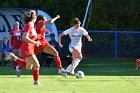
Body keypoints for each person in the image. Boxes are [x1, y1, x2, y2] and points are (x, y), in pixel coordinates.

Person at [20, 10, 41, 85]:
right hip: (26, 48)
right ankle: (36, 82)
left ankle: (15, 59)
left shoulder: (32, 25)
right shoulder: (29, 24)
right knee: (37, 65)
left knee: (28, 67)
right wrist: (34, 42)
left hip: (30, 48)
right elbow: (24, 37)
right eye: (36, 15)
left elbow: (31, 37)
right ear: (34, 16)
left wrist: (37, 40)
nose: (37, 16)